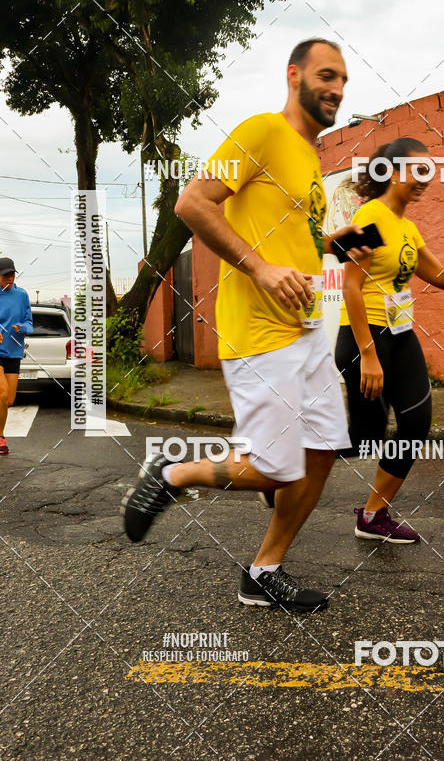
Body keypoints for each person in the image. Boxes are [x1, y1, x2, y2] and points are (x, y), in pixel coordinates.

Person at [122, 38, 370, 613]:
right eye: (326, 75)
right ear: (294, 76)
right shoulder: (259, 132)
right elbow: (192, 203)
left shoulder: (308, 158)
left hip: (306, 332)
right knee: (274, 467)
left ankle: (263, 572)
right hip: (261, 333)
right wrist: (258, 267)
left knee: (325, 450)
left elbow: (296, 241)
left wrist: (340, 245)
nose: (335, 89)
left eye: (342, 80)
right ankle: (173, 471)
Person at [335, 139, 444, 543]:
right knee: (363, 439)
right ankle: (276, 470)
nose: (426, 179)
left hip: (399, 334)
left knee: (416, 421)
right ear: (392, 172)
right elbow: (350, 286)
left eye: (429, 171)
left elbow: (441, 277)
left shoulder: (407, 227)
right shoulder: (366, 216)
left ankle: (372, 515)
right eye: (417, 170)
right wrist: (369, 356)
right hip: (364, 338)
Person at [0, 258, 33, 455]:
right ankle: (0, 437)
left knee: (9, 400)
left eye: (12, 274)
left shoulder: (21, 295)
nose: (9, 279)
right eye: (5, 276)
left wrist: (22, 327)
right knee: (2, 392)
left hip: (13, 351)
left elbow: (29, 321)